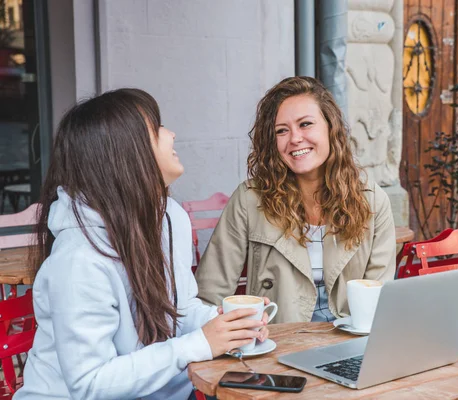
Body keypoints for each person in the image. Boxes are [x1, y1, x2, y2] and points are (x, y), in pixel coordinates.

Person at [15, 88, 269, 400]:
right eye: (158, 128)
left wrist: (225, 326)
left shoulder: (170, 216)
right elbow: (90, 383)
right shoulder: (79, 259)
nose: (172, 134)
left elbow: (182, 309)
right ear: (125, 154)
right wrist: (200, 344)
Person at [196, 77, 396, 323]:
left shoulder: (372, 201)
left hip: (348, 338)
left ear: (330, 128)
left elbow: (380, 298)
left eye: (305, 124)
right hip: (276, 341)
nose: (295, 139)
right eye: (282, 130)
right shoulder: (249, 200)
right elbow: (210, 295)